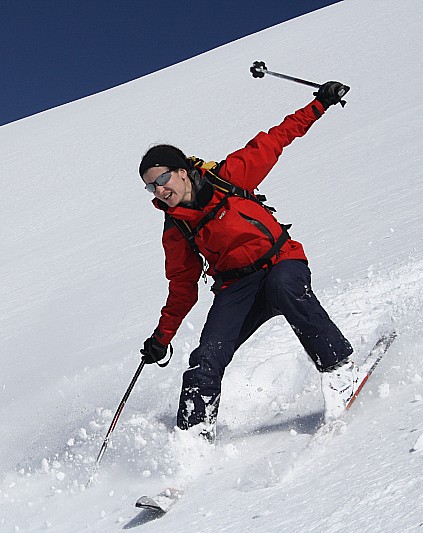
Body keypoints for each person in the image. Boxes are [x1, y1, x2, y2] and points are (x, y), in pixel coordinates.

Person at [137, 81, 355, 442]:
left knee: (285, 286)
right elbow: (182, 287)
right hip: (236, 288)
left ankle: (339, 369)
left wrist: (320, 104)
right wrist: (162, 338)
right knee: (206, 356)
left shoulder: (228, 177)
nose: (159, 190)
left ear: (180, 171)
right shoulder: (176, 230)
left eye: (161, 179)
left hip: (280, 263)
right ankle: (192, 439)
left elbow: (276, 138)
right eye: (150, 187)